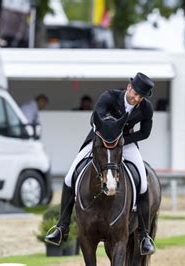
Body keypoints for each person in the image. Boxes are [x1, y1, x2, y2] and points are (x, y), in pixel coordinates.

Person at [45, 72, 156, 255]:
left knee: (143, 183)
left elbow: (145, 132)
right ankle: (61, 227)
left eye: (140, 97)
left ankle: (144, 236)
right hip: (99, 140)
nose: (136, 98)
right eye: (135, 93)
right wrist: (106, 139)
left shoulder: (146, 108)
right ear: (129, 87)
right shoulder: (110, 96)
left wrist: (122, 142)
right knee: (69, 176)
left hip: (125, 144)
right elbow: (94, 118)